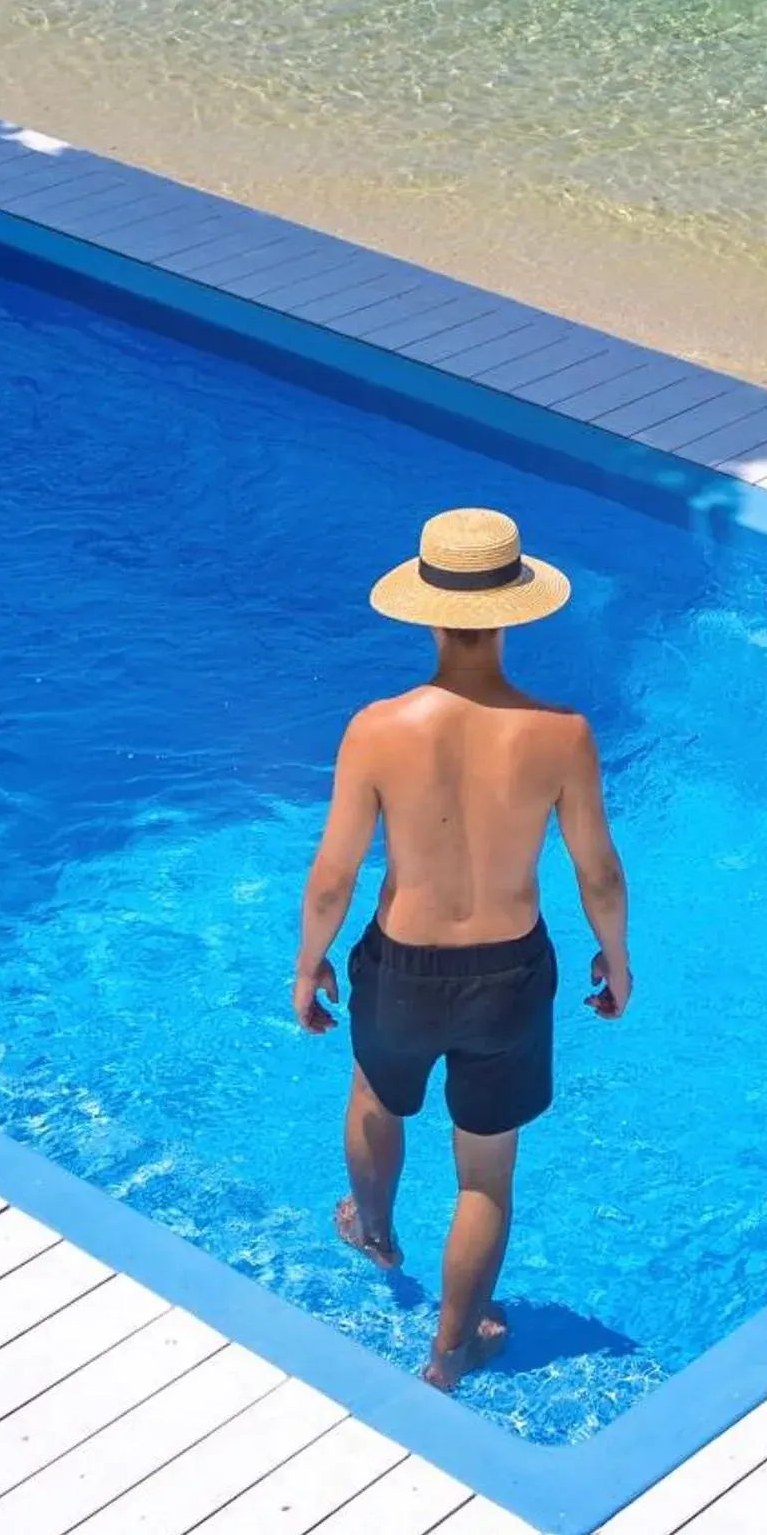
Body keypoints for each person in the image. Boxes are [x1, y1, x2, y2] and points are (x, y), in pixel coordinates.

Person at [292, 505, 632, 1391]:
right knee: (484, 1173)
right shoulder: (563, 734)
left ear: (429, 612)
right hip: (508, 973)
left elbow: (334, 874)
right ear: (513, 611)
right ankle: (451, 1352)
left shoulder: (377, 728)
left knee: (376, 1092)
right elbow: (598, 869)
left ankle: (373, 1232)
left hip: (400, 964)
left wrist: (309, 962)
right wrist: (616, 956)